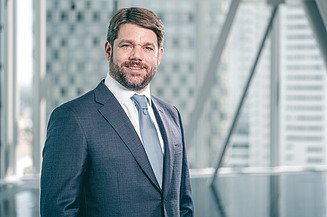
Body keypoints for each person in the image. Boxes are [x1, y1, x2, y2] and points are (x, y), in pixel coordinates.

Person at [40, 7, 194, 217]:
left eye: (147, 48)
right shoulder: (73, 118)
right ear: (108, 50)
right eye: (127, 45)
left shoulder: (171, 115)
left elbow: (183, 204)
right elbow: (58, 211)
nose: (136, 56)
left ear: (159, 56)